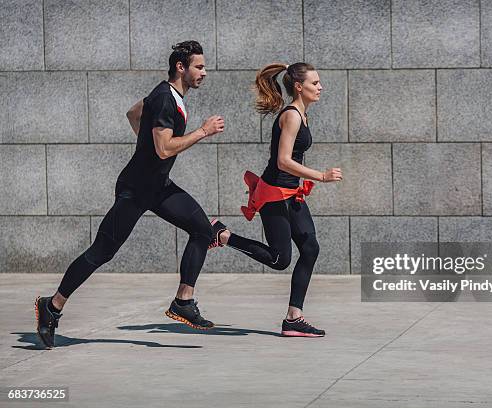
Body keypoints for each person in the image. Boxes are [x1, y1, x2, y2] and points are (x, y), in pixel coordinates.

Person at [35, 40, 225, 348]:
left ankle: (183, 302)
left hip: (158, 187)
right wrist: (202, 132)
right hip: (136, 190)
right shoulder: (166, 98)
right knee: (101, 252)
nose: (204, 72)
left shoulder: (166, 94)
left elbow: (133, 113)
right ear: (181, 67)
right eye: (199, 67)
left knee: (203, 230)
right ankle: (52, 305)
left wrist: (146, 148)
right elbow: (164, 149)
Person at [208, 62, 342, 337]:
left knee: (310, 248)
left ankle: (294, 317)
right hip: (274, 195)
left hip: (291, 194)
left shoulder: (302, 114)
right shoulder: (291, 115)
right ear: (298, 86)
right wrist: (321, 176)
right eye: (315, 83)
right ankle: (222, 235)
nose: (320, 87)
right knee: (280, 259)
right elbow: (282, 162)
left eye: (319, 82)